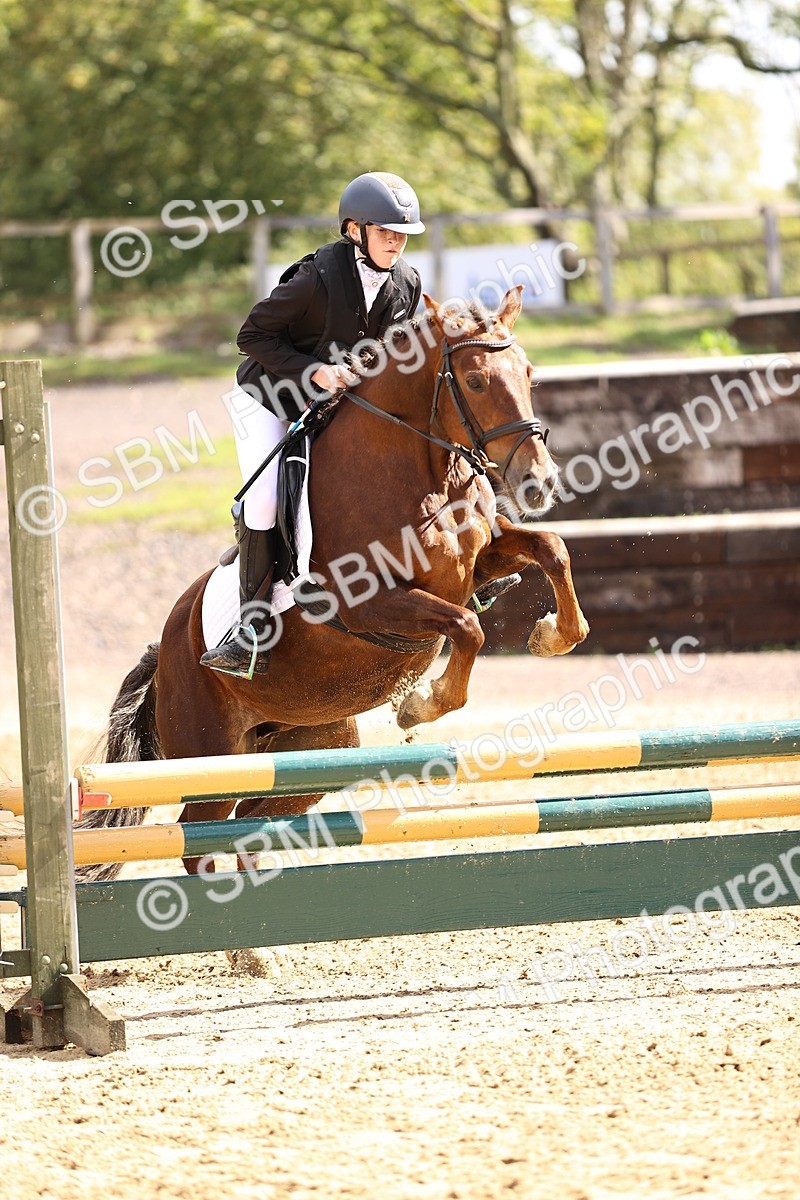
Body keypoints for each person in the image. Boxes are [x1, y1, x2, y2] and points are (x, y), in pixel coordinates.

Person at [200, 171, 426, 678]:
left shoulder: (407, 283)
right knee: (265, 498)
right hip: (271, 395)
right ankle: (250, 626)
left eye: (402, 233)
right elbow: (251, 336)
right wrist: (315, 371)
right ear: (354, 230)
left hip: (336, 402)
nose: (396, 241)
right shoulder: (315, 276)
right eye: (385, 231)